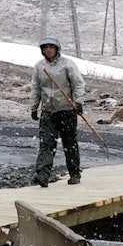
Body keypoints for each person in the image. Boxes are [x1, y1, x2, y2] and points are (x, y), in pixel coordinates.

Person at [30, 36, 86, 187]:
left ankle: (74, 173)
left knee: (70, 144)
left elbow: (78, 84)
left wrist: (78, 102)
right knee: (46, 143)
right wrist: (34, 107)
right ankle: (42, 175)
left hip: (67, 110)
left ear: (56, 49)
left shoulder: (68, 65)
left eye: (51, 47)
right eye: (45, 47)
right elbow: (36, 88)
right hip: (48, 112)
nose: (48, 50)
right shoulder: (39, 67)